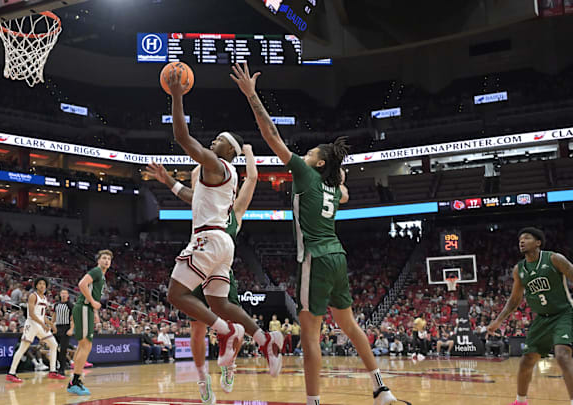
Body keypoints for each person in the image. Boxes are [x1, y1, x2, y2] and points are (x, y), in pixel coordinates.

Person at [231, 61, 398, 405]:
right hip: (338, 256)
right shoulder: (334, 189)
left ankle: (313, 402)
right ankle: (381, 388)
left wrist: (251, 95)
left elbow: (271, 136)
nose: (303, 155)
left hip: (315, 258)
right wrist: (338, 174)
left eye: (309, 154)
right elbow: (344, 190)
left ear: (319, 164)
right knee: (350, 327)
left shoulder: (306, 176)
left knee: (310, 336)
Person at [164, 69, 283, 388]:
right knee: (219, 303)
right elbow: (195, 198)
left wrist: (177, 97)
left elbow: (182, 138)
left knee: (175, 293)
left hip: (207, 239)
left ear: (228, 150)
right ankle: (264, 338)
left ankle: (228, 331)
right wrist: (169, 183)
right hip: (222, 244)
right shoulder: (224, 174)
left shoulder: (214, 164)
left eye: (217, 141)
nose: (212, 141)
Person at [145, 140, 260, 403]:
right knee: (197, 329)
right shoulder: (204, 203)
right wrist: (168, 180)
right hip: (200, 255)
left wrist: (248, 151)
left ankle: (229, 364)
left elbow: (251, 179)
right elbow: (190, 193)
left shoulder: (236, 210)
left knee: (234, 324)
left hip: (220, 265)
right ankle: (201, 377)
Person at [487, 227, 573, 405]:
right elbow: (514, 300)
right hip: (542, 318)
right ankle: (520, 401)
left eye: (526, 238)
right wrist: (498, 321)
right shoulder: (519, 269)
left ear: (538, 242)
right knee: (526, 360)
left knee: (562, 355)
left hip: (563, 313)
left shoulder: (554, 259)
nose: (522, 241)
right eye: (520, 239)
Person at [68, 250, 112, 396]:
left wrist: (95, 314)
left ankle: (75, 379)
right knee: (86, 345)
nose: (106, 261)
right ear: (98, 260)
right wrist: (92, 302)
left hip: (87, 309)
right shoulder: (97, 271)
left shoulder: (102, 276)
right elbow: (82, 284)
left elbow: (93, 296)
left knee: (83, 345)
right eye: (104, 258)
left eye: (109, 259)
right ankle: (74, 381)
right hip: (84, 308)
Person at [6, 277, 63, 383]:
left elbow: (42, 315)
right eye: (40, 284)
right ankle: (11, 373)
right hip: (32, 325)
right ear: (36, 286)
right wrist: (43, 324)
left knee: (53, 344)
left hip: (40, 325)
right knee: (23, 348)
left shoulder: (45, 298)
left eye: (44, 284)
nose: (42, 286)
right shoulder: (33, 296)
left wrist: (51, 324)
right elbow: (32, 314)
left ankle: (53, 371)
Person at [53, 289, 74, 376]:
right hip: (57, 327)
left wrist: (71, 329)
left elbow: (73, 319)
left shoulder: (70, 305)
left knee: (63, 349)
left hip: (66, 327)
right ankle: (57, 365)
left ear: (68, 295)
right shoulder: (56, 305)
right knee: (53, 346)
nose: (64, 295)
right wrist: (51, 326)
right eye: (62, 293)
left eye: (65, 293)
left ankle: (62, 368)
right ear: (60, 294)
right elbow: (54, 316)